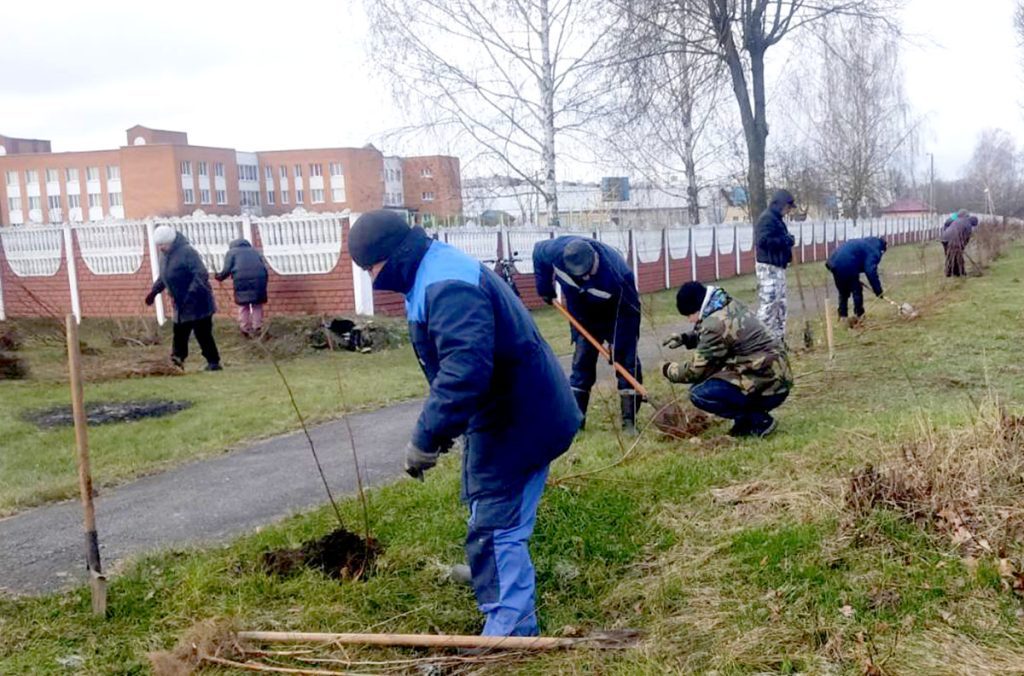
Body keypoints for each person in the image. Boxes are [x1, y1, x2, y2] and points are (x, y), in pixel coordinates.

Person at [347, 210, 580, 637]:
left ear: (390, 256)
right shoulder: (432, 268)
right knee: (484, 502)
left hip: (518, 416)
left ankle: (511, 628)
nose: (372, 276)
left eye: (370, 267)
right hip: (508, 408)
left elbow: (465, 369)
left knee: (496, 521)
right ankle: (489, 574)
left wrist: (427, 435)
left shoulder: (446, 284)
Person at [533, 236, 642, 433]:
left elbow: (630, 312)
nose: (584, 279)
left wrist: (620, 343)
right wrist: (544, 288)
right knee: (581, 363)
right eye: (579, 275)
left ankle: (629, 421)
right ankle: (577, 420)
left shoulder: (619, 273)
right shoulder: (553, 251)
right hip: (583, 316)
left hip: (616, 315)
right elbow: (538, 254)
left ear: (595, 260)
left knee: (626, 361)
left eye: (587, 274)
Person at [661, 281, 792, 438]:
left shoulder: (714, 324)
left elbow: (695, 371)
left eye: (689, 315)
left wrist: (668, 369)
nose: (690, 320)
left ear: (698, 307)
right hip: (776, 376)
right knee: (721, 375)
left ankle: (759, 421)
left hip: (767, 383)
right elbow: (723, 335)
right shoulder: (726, 303)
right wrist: (686, 338)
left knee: (700, 392)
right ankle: (745, 423)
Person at [145, 225, 222, 371]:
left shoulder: (187, 252)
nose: (161, 247)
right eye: (159, 245)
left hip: (198, 301)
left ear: (171, 241)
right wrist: (154, 292)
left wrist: (191, 293)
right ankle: (177, 360)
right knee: (179, 333)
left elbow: (201, 274)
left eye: (163, 244)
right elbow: (164, 276)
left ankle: (213, 362)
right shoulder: (164, 256)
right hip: (180, 303)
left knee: (203, 333)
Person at [753, 189, 798, 343]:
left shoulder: (777, 219)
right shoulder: (767, 219)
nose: (788, 211)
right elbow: (763, 242)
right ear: (779, 204)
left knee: (780, 306)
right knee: (769, 305)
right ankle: (759, 341)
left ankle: (777, 341)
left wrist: (787, 241)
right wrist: (785, 241)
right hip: (768, 268)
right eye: (787, 207)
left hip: (778, 267)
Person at [825, 237, 887, 327]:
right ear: (882, 249)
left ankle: (843, 317)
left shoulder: (865, 243)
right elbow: (870, 271)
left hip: (833, 262)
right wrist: (878, 291)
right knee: (856, 290)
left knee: (843, 291)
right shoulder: (874, 251)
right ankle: (859, 316)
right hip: (847, 263)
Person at [215, 238, 269, 338]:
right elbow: (264, 267)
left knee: (243, 305)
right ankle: (258, 327)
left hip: (241, 281)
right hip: (259, 279)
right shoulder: (255, 251)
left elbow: (227, 269)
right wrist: (264, 282)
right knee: (257, 304)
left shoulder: (231, 252)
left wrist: (219, 277)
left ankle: (245, 329)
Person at [941, 212, 977, 277]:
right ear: (973, 223)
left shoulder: (960, 219)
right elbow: (966, 238)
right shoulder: (968, 225)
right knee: (958, 257)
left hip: (945, 238)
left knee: (950, 256)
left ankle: (950, 273)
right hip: (953, 239)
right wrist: (962, 246)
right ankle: (960, 273)